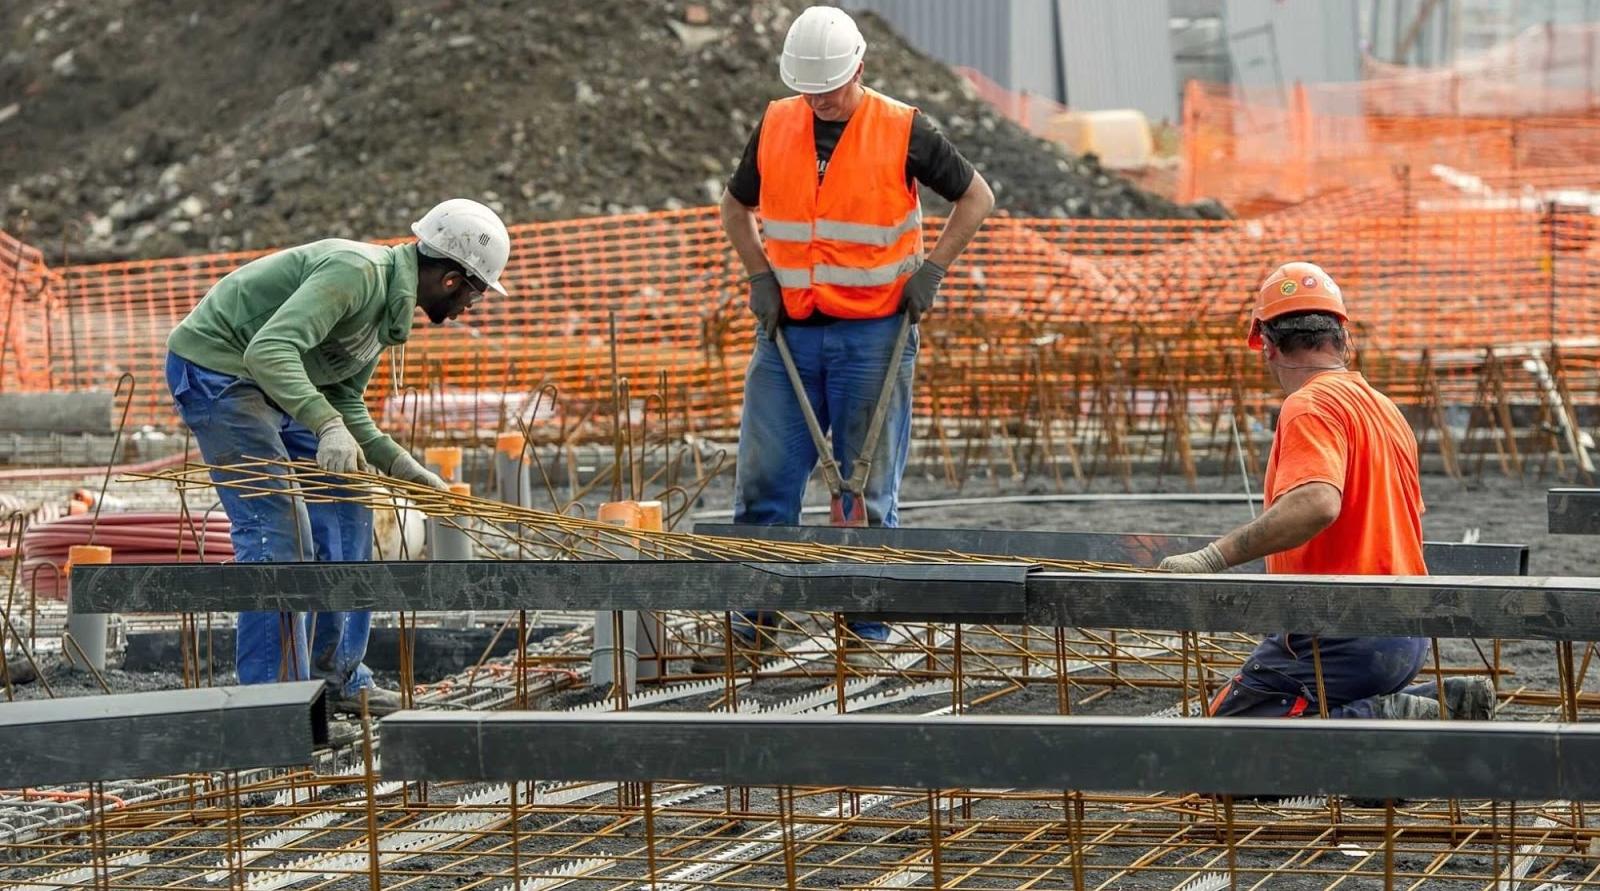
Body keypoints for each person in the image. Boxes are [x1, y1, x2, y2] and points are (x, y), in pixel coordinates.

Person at [707, 6, 994, 666]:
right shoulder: (779, 123)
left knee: (861, 495)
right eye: (812, 90)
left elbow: (976, 197)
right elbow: (734, 205)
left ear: (859, 69)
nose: (823, 101)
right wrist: (760, 276)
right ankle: (753, 629)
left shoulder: (904, 128)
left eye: (832, 88)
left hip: (874, 335)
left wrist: (935, 269)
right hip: (790, 337)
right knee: (764, 486)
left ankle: (863, 635)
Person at [164, 198, 510, 715]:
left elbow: (345, 396)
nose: (473, 308)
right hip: (221, 371)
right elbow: (268, 350)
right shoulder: (358, 274)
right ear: (452, 280)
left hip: (278, 382)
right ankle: (273, 705)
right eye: (478, 293)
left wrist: (401, 467)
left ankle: (338, 676)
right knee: (278, 528)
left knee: (350, 505)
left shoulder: (387, 311)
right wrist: (325, 425)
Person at [1159, 262, 1495, 721]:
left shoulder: (1310, 403)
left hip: (1341, 629)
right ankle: (1436, 701)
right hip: (1407, 629)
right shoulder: (1384, 409)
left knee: (1227, 745)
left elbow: (1317, 503)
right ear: (1344, 340)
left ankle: (1387, 716)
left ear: (1269, 348)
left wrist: (1212, 558)